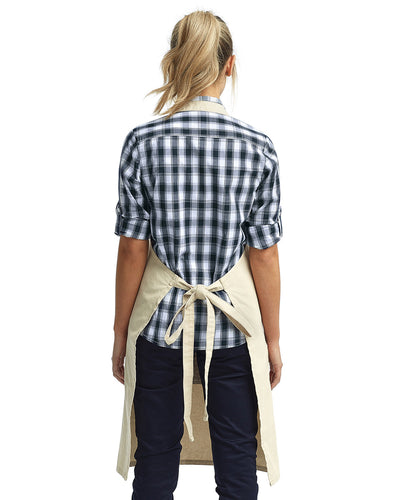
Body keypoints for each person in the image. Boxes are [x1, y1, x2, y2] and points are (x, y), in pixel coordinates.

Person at [112, 9, 283, 500]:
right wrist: (272, 339)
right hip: (233, 330)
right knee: (237, 464)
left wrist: (120, 332)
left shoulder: (142, 143)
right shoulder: (258, 147)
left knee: (155, 461)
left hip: (159, 327)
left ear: (173, 62)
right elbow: (265, 256)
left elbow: (132, 249)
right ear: (230, 65)